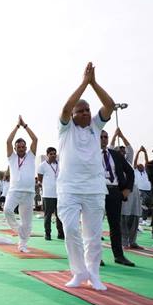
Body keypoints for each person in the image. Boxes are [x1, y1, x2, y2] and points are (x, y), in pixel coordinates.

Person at [57, 62, 114, 291]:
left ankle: (93, 274)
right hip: (69, 189)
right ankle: (78, 273)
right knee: (71, 230)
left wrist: (94, 83)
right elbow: (65, 108)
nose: (85, 113)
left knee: (93, 235)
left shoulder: (95, 127)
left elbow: (109, 105)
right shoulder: (65, 128)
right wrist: (83, 83)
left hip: (94, 189)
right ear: (73, 115)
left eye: (87, 110)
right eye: (80, 110)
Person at [100, 130, 135, 266]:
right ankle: (95, 256)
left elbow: (130, 171)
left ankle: (119, 256)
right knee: (94, 225)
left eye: (106, 137)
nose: (104, 139)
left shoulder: (115, 154)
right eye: (101, 137)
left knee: (115, 225)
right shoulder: (89, 154)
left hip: (114, 191)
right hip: (97, 191)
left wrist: (127, 189)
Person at [4, 115, 38, 253]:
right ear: (15, 148)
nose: (22, 148)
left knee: (27, 221)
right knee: (7, 210)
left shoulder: (31, 155)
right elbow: (8, 141)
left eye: (24, 146)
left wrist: (25, 126)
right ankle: (18, 230)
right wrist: (17, 127)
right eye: (19, 147)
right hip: (14, 191)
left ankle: (23, 245)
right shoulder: (12, 157)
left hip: (29, 192)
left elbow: (35, 139)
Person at [110, 128, 143, 250]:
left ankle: (132, 241)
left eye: (124, 152)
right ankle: (124, 242)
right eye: (120, 151)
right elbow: (111, 147)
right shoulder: (112, 161)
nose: (123, 153)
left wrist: (122, 135)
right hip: (123, 192)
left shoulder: (128, 162)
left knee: (135, 216)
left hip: (134, 192)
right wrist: (114, 136)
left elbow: (130, 148)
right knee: (123, 217)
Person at [37, 147, 64, 240]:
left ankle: (61, 233)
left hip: (59, 194)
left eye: (54, 154)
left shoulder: (60, 165)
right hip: (48, 194)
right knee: (48, 215)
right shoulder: (42, 166)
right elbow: (40, 179)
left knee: (60, 215)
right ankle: (47, 233)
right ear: (47, 155)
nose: (53, 155)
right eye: (51, 154)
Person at [133, 146, 153, 220]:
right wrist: (138, 151)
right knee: (143, 203)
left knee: (148, 205)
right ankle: (141, 217)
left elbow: (146, 161)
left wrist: (145, 152)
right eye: (139, 166)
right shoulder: (136, 171)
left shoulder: (146, 171)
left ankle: (144, 218)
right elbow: (135, 161)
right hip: (141, 190)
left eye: (142, 165)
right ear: (137, 167)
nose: (141, 166)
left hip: (149, 190)